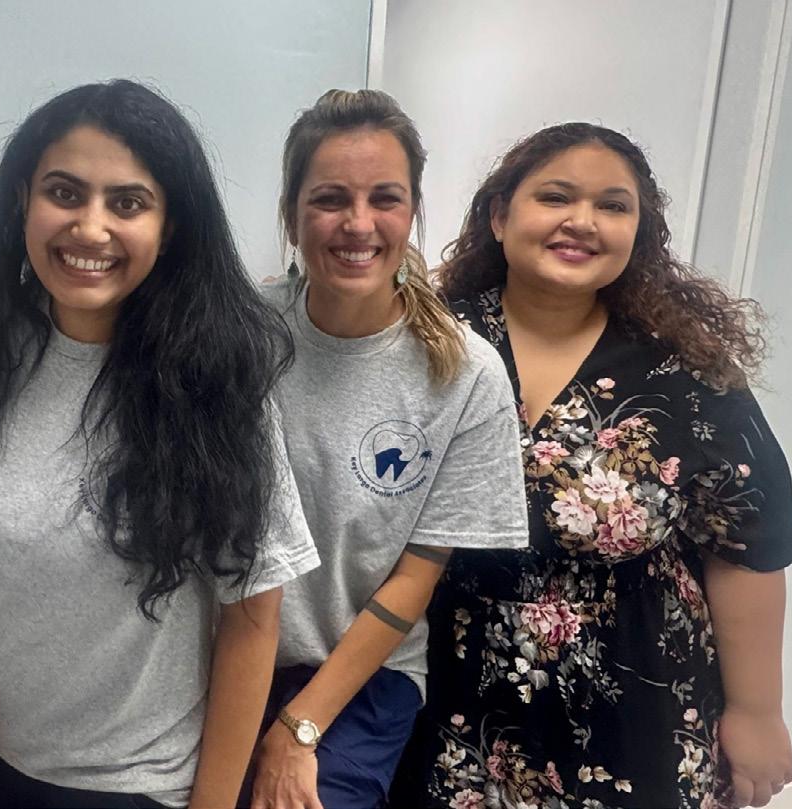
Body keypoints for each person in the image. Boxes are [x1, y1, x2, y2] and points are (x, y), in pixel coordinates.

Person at [0, 79, 321, 809]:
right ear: (22, 199)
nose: (90, 228)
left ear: (169, 227)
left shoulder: (219, 383)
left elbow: (252, 619)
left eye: (128, 203)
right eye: (64, 193)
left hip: (139, 786)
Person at [402, 122, 792, 809]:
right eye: (555, 197)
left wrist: (758, 712)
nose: (582, 221)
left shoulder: (685, 372)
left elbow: (749, 547)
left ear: (637, 234)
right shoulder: (425, 342)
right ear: (499, 216)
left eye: (612, 206)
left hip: (634, 706)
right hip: (447, 698)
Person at [247, 89, 528, 809]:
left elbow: (413, 580)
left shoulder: (463, 374)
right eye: (329, 199)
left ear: (412, 213)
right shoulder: (241, 336)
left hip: (362, 674)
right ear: (289, 215)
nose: (358, 223)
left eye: (385, 199)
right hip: (228, 650)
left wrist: (300, 727)